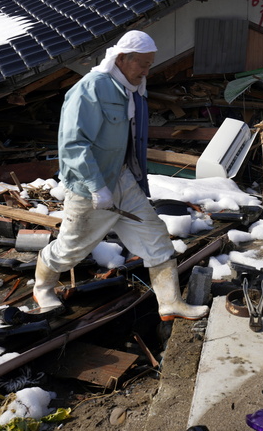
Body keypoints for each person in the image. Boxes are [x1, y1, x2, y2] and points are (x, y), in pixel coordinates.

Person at [34, 30, 208, 321]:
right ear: (122, 58)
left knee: (156, 238)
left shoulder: (131, 86)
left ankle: (170, 303)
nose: (146, 71)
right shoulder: (91, 88)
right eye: (142, 64)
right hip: (90, 187)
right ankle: (42, 287)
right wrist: (97, 187)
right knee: (71, 250)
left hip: (123, 179)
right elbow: (73, 144)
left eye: (150, 64)